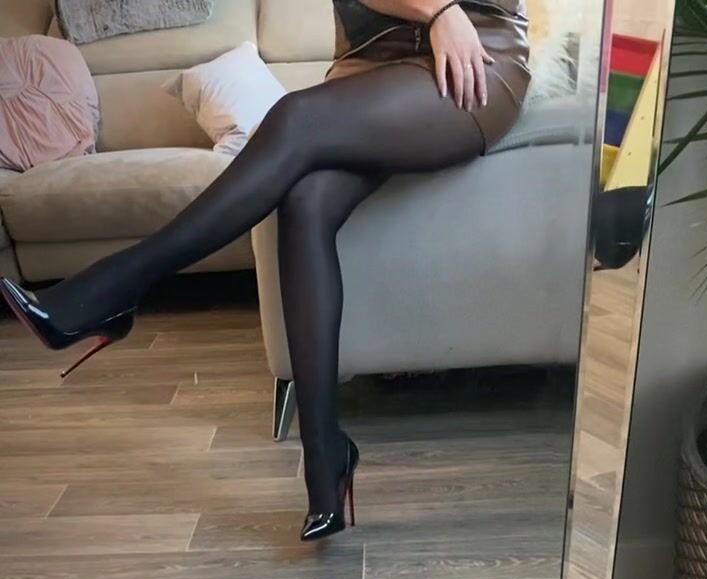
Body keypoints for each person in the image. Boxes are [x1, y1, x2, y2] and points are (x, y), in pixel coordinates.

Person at [0, 0, 531, 541]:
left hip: (471, 55)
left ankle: (113, 287)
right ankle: (325, 460)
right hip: (375, 68)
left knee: (294, 116)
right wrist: (434, 9)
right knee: (304, 200)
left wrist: (444, 13)